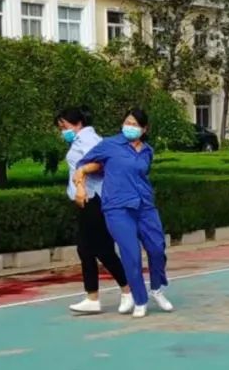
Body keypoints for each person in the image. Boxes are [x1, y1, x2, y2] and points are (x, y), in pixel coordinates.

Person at [75, 109, 174, 319]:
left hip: (145, 206)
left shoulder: (147, 151)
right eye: (127, 122)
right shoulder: (110, 145)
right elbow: (83, 164)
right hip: (117, 208)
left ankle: (157, 288)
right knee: (131, 254)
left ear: (144, 129)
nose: (130, 127)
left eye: (135, 124)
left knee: (157, 248)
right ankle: (140, 300)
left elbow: (142, 174)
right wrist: (82, 182)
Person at [59, 107, 132, 315]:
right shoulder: (80, 140)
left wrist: (81, 183)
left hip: (94, 198)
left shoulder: (88, 139)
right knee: (84, 249)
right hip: (85, 200)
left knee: (102, 248)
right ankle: (92, 297)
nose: (62, 131)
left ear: (77, 123)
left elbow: (100, 162)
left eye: (64, 126)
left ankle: (128, 290)